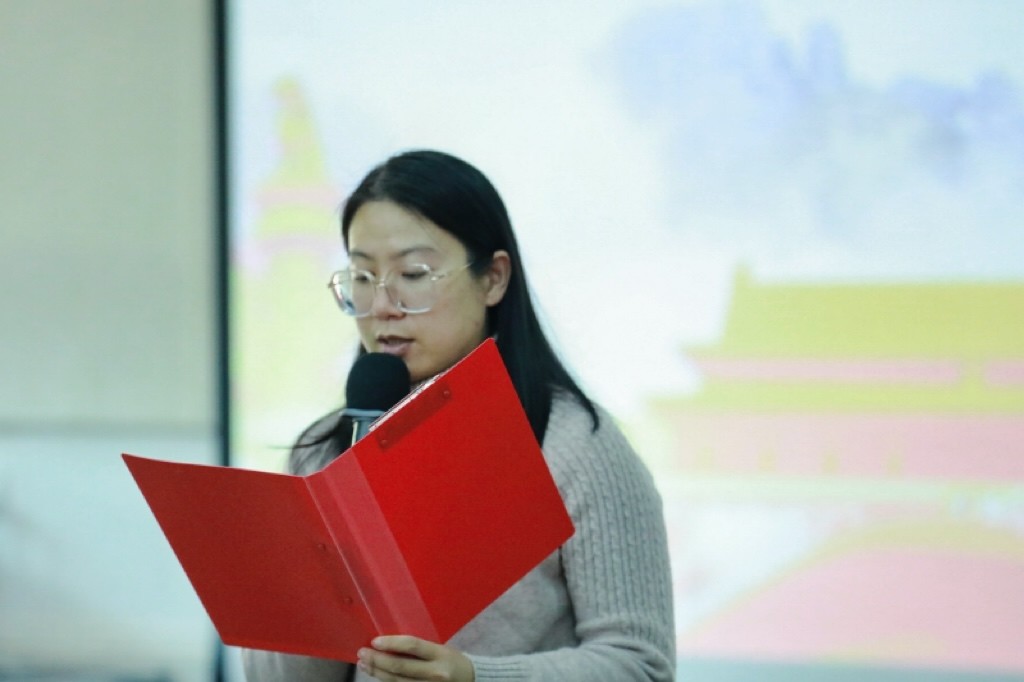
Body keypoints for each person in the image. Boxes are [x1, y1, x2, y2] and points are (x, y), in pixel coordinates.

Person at [241, 150, 675, 682]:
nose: (382, 305)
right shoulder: (325, 449)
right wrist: (292, 606)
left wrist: (474, 677)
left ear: (493, 278)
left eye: (413, 273)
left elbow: (640, 666)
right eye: (362, 276)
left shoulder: (574, 445)